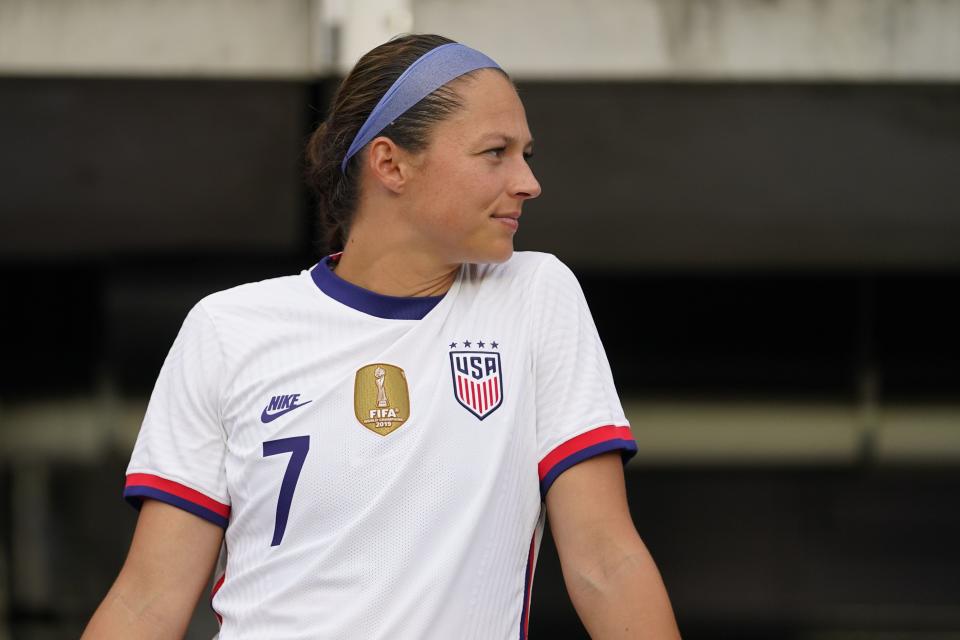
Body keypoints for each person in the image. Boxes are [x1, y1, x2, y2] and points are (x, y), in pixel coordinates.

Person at [83, 34, 681, 639]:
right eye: (496, 152)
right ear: (391, 163)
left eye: (526, 154)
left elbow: (607, 561)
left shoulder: (535, 294)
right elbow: (148, 600)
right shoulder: (227, 328)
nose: (528, 182)